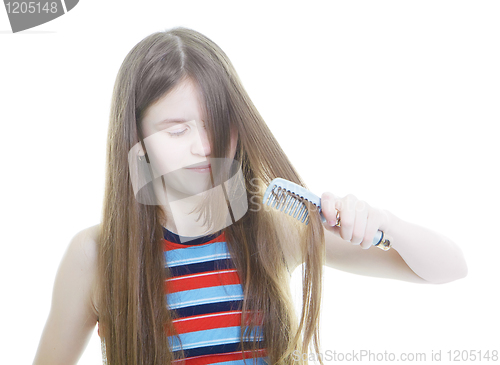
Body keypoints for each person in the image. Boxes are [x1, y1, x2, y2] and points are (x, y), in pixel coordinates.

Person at [32, 27, 468, 365]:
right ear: (138, 138)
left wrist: (382, 223)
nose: (204, 146)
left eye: (218, 122)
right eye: (177, 129)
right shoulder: (96, 256)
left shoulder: (274, 229)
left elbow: (449, 268)